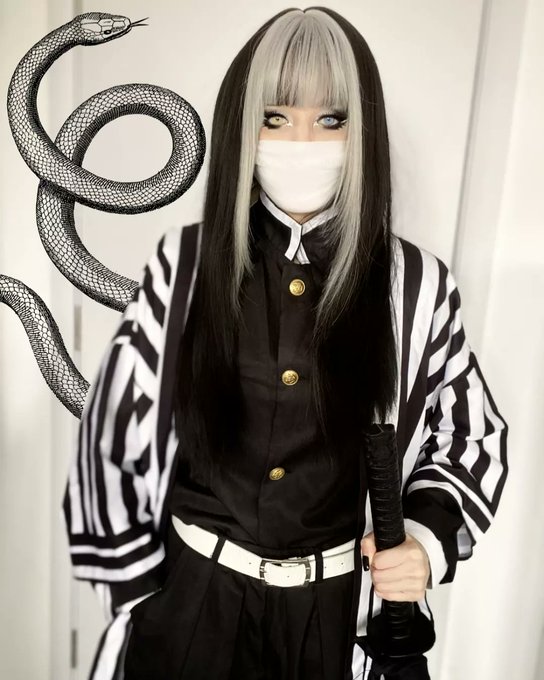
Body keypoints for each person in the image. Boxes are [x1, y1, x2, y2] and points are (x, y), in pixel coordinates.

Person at [62, 6, 508, 680]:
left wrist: (425, 539)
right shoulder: (185, 268)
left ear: (363, 130)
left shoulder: (415, 284)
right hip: (192, 608)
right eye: (276, 117)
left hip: (330, 620)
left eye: (331, 119)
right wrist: (140, 597)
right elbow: (111, 432)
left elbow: (471, 435)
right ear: (245, 126)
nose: (302, 140)